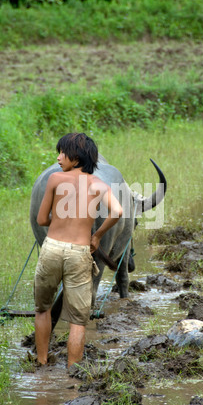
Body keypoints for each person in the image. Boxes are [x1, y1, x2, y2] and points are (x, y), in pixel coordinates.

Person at [34, 132, 123, 368]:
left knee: (42, 310)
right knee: (78, 321)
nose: (58, 157)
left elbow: (42, 219)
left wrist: (60, 220)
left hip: (52, 249)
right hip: (79, 253)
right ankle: (73, 371)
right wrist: (97, 236)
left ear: (77, 157)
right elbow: (118, 212)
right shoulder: (99, 185)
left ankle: (41, 362)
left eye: (63, 153)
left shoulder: (54, 179)